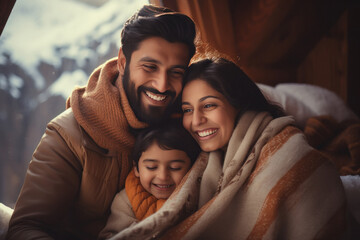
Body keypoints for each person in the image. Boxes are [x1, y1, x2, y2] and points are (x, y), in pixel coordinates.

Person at [6, 4, 196, 240]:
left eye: (176, 72)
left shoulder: (190, 122)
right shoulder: (68, 136)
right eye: (150, 67)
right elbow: (25, 228)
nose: (162, 84)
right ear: (123, 62)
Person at [107, 57, 347, 240]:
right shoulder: (201, 159)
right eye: (188, 110)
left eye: (209, 105)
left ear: (238, 104)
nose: (196, 121)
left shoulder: (285, 151)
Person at [98, 121, 200, 239]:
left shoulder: (197, 193)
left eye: (175, 167)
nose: (162, 176)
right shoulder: (126, 200)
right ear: (136, 168)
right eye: (151, 167)